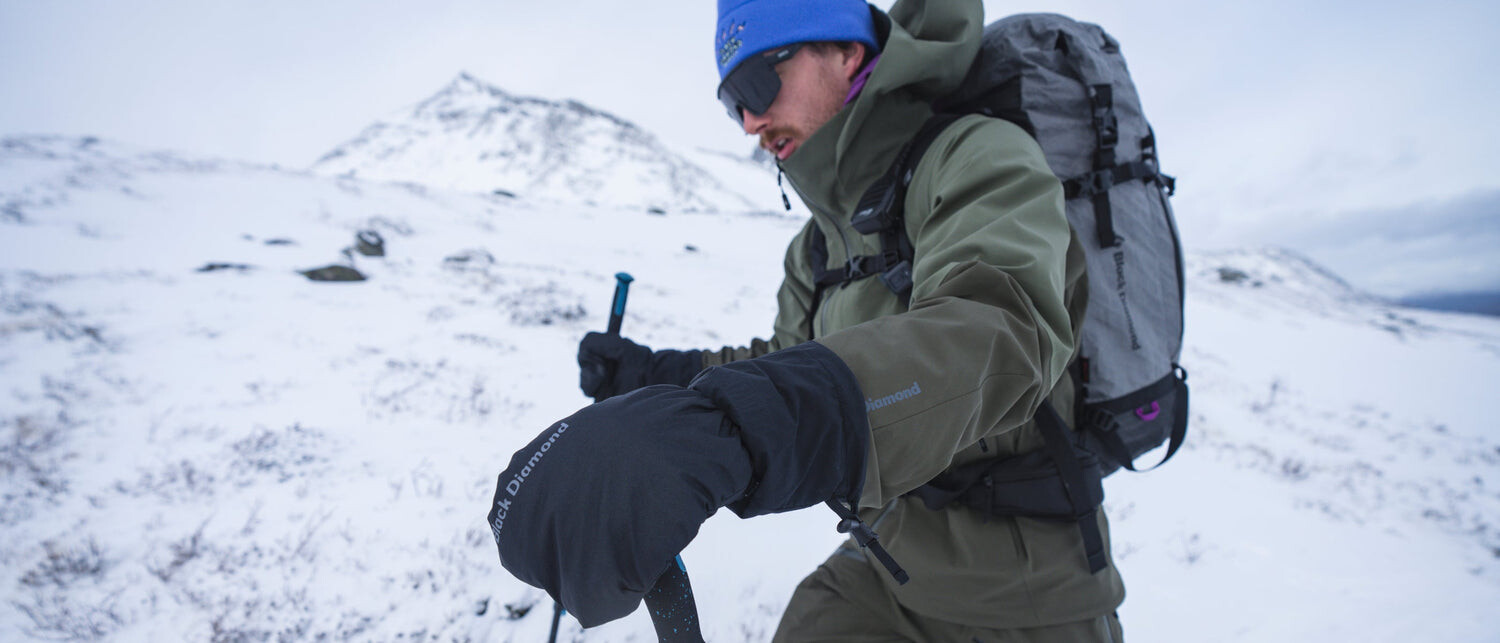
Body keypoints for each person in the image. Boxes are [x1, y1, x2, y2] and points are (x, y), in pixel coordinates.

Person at [490, 0, 1125, 640]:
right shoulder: (818, 246)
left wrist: (732, 430)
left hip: (1030, 591)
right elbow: (785, 358)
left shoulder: (975, 154)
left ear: (846, 52)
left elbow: (1000, 330)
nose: (749, 122)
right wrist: (653, 377)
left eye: (757, 84)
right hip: (888, 558)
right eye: (731, 102)